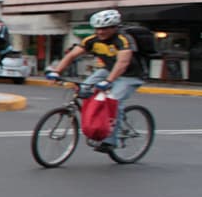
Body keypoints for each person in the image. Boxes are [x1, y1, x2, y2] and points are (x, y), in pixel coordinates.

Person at [45, 9, 145, 154]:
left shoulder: (123, 40)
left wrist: (109, 81)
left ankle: (110, 141)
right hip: (107, 69)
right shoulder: (92, 40)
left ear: (114, 27)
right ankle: (95, 120)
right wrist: (57, 71)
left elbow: (122, 63)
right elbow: (71, 56)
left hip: (130, 75)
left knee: (113, 100)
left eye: (104, 28)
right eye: (97, 28)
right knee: (83, 89)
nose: (100, 32)